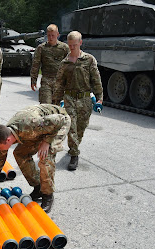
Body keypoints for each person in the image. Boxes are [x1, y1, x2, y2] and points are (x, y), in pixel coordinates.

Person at [0, 104, 71, 213]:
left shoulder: (29, 124)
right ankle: (38, 187)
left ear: (8, 140)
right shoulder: (5, 135)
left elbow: (60, 120)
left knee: (45, 157)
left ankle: (48, 195)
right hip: (40, 130)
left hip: (58, 123)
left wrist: (46, 142)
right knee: (20, 153)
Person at [52, 31, 103, 170]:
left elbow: (96, 80)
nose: (72, 48)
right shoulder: (65, 63)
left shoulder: (89, 59)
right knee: (71, 127)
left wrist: (99, 98)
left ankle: (74, 146)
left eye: (75, 45)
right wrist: (56, 102)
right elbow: (59, 83)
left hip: (85, 99)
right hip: (69, 98)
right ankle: (74, 155)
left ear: (80, 43)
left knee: (81, 127)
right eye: (70, 45)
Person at [31, 24, 69, 104]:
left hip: (60, 82)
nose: (51, 38)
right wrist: (33, 80)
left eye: (53, 35)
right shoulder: (41, 48)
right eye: (49, 35)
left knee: (58, 109)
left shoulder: (64, 48)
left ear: (57, 35)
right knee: (46, 106)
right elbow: (36, 65)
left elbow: (70, 64)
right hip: (46, 81)